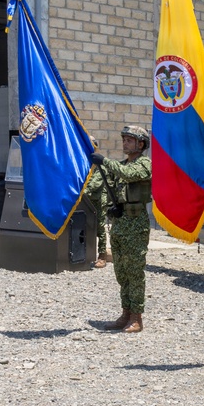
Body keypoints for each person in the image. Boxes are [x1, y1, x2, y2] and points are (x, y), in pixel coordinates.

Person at [89, 125, 152, 333]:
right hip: (120, 223)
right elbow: (109, 188)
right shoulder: (121, 164)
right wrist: (110, 208)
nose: (125, 143)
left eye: (129, 140)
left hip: (136, 225)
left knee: (134, 272)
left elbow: (128, 174)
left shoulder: (144, 164)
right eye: (123, 139)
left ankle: (136, 317)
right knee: (121, 272)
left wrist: (104, 161)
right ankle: (125, 313)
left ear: (140, 144)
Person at [84, 135, 111, 269]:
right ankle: (85, 253)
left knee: (99, 227)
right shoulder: (83, 162)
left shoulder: (99, 163)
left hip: (98, 199)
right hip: (85, 201)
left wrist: (81, 193)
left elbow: (95, 184)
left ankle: (102, 256)